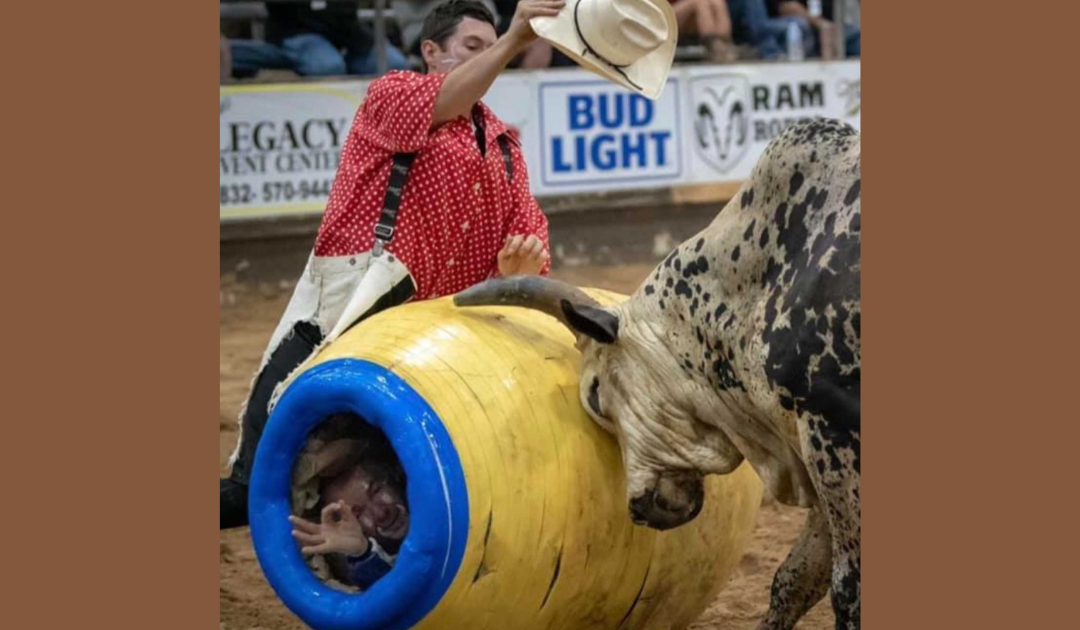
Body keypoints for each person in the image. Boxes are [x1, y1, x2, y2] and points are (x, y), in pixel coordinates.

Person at [221, 0, 560, 530]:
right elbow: (447, 100)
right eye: (474, 47)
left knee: (392, 479)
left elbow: (530, 230)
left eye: (492, 50)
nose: (488, 59)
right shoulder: (393, 94)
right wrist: (515, 39)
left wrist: (522, 262)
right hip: (351, 303)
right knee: (254, 482)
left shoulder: (504, 143)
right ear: (431, 51)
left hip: (431, 335)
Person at [289, 429, 409, 590]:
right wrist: (361, 553)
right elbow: (398, 594)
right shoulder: (368, 558)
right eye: (358, 514)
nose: (380, 513)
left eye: (376, 490)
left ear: (393, 476)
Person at [229, 1, 411, 79]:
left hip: (347, 30)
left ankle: (392, 131)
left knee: (395, 64)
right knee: (329, 65)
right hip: (296, 30)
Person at [763, 0, 860, 59]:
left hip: (833, 26)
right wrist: (820, 24)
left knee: (857, 38)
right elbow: (785, 7)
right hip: (803, 25)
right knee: (798, 29)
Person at [669, 0, 737, 64]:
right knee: (700, 3)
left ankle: (724, 43)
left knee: (717, 2)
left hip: (689, 13)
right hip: (665, 15)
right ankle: (712, 45)